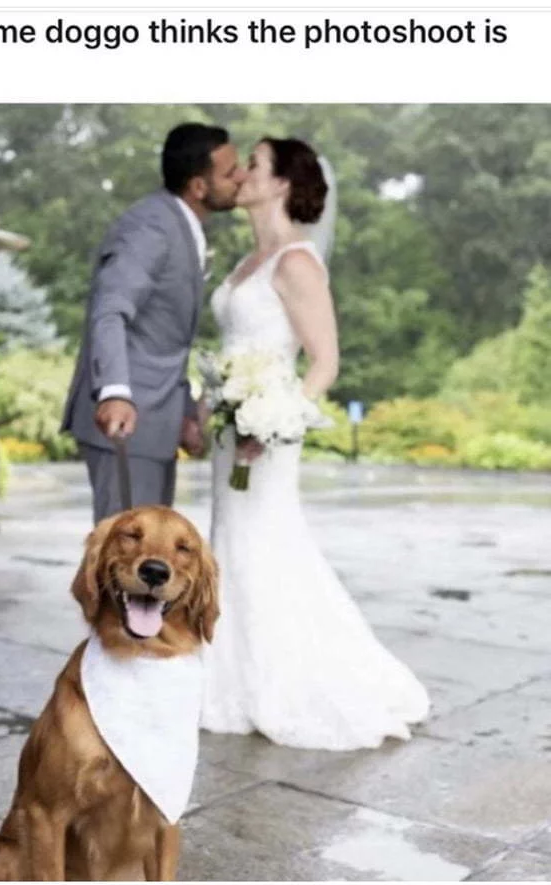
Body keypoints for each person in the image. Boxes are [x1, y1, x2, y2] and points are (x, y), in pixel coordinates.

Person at [200, 137, 430, 750]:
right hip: (232, 424)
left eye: (256, 164)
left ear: (282, 184)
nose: (242, 173)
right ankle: (228, 673)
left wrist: (272, 422)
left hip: (268, 429)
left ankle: (283, 680)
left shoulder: (296, 262)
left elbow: (325, 361)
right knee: (230, 540)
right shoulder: (248, 261)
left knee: (263, 542)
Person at [62, 123, 245, 523]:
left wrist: (182, 413)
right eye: (230, 172)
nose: (242, 177)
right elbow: (110, 310)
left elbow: (163, 341)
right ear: (198, 186)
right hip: (123, 425)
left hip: (155, 425)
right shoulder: (150, 227)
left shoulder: (180, 227)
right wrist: (113, 391)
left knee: (145, 564)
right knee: (123, 562)